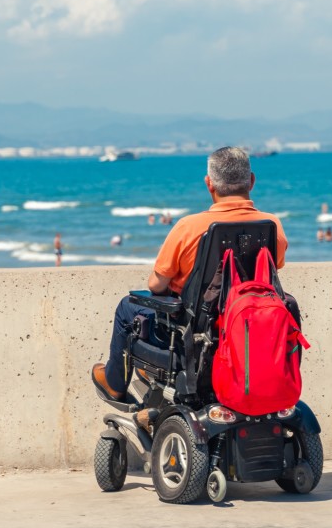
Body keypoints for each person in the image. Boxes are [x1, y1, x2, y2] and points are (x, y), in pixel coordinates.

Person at [91, 146, 288, 408]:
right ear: (251, 181)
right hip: (248, 329)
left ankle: (115, 385)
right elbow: (274, 268)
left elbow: (156, 285)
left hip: (195, 333)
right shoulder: (270, 225)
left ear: (209, 184)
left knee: (128, 307)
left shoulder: (189, 226)